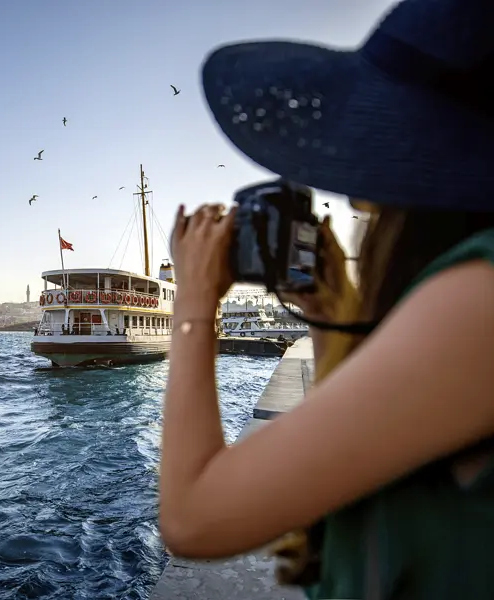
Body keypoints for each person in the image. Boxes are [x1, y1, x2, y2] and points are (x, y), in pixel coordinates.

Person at [159, 0, 494, 598]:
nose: (364, 205)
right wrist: (331, 317)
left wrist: (193, 306)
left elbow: (191, 519)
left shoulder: (481, 294)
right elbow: (366, 439)